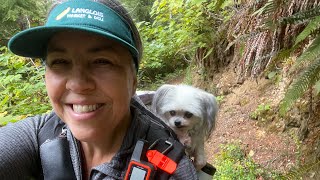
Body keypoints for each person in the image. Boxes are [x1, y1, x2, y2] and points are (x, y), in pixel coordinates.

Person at [0, 0, 198, 179]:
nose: (77, 84)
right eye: (59, 61)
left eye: (101, 61)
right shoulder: (39, 134)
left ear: (133, 80)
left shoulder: (171, 171)